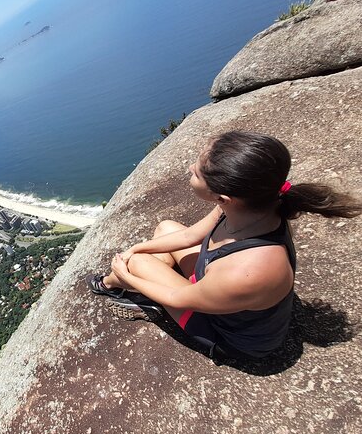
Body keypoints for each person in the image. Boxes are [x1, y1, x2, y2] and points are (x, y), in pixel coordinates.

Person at [86, 131, 361, 359]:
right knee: (165, 229)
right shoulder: (252, 205)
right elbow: (188, 237)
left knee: (137, 265)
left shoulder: (251, 270)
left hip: (228, 336)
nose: (190, 169)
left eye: (197, 173)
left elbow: (177, 299)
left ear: (223, 197)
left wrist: (127, 273)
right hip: (215, 286)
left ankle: (112, 286)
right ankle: (136, 279)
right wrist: (139, 247)